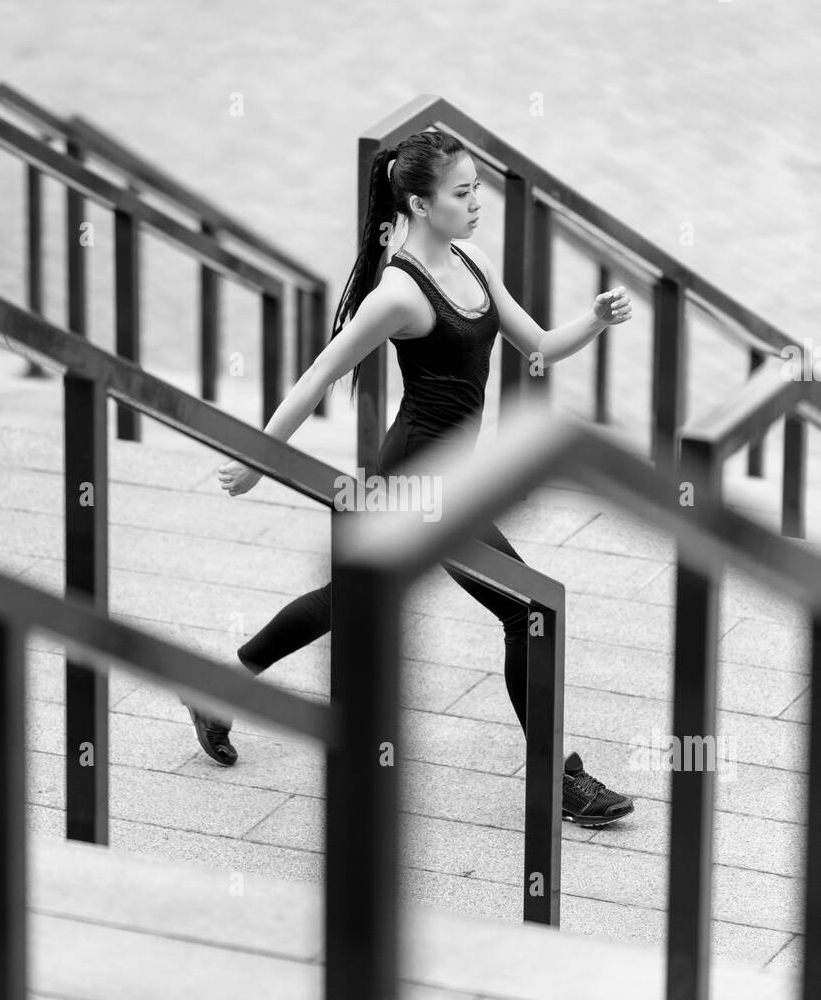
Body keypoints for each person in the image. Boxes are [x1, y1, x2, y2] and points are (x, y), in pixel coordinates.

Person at [182, 130, 635, 828]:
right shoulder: (398, 293)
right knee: (529, 609)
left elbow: (538, 346)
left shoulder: (473, 261)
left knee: (349, 601)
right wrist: (257, 459)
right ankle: (558, 781)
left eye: (477, 188)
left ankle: (215, 690)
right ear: (420, 204)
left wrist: (594, 321)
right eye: (462, 193)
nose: (477, 203)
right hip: (418, 484)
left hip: (449, 477)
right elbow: (319, 374)